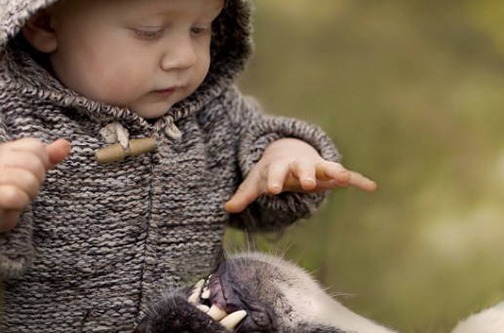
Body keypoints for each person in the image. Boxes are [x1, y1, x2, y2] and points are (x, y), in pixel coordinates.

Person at [0, 0, 377, 331]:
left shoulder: (208, 113)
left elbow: (258, 150)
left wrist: (284, 158)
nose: (184, 57)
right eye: (149, 32)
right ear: (44, 23)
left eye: (200, 29)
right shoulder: (11, 121)